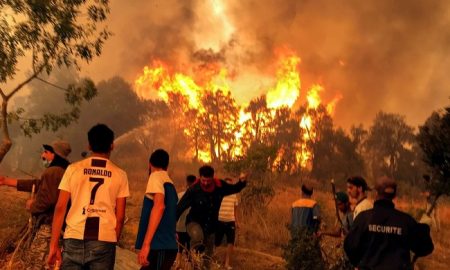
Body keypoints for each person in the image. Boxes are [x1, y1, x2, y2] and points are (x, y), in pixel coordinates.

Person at [47, 124, 130, 269]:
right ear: (112, 146)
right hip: (104, 241)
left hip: (73, 237)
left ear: (89, 145)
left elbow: (60, 207)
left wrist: (54, 245)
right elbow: (121, 216)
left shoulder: (73, 169)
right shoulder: (120, 175)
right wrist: (112, 240)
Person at [0, 140, 71, 270]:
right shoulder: (65, 171)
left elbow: (47, 200)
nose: (42, 155)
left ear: (55, 154)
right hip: (62, 228)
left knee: (37, 264)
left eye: (46, 152)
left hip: (48, 228)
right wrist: (7, 181)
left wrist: (32, 205)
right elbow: (39, 185)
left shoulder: (52, 172)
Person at [344, 176, 434, 270]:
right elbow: (424, 248)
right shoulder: (405, 221)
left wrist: (359, 263)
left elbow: (350, 246)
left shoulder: (363, 218)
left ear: (375, 193)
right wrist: (424, 226)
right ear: (394, 195)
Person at [176, 165, 247, 270]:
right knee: (197, 240)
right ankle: (193, 259)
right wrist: (172, 226)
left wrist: (242, 182)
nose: (205, 183)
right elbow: (179, 208)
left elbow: (234, 188)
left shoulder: (220, 187)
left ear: (212, 178)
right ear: (200, 177)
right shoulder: (193, 190)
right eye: (203, 180)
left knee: (208, 256)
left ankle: (203, 266)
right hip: (193, 223)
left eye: (208, 181)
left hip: (211, 227)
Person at [135, 149, 179, 270]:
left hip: (159, 246)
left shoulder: (155, 176)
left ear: (150, 164)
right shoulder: (170, 183)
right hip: (166, 247)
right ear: (167, 166)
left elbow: (159, 207)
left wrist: (146, 245)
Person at [215, 178, 240, 270]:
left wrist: (237, 221)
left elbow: (235, 209)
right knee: (217, 242)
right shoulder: (219, 194)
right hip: (219, 220)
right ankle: (215, 260)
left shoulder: (234, 195)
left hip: (230, 221)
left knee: (231, 242)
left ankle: (227, 263)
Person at [175, 174, 197, 269]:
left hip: (179, 226)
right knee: (189, 248)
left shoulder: (179, 195)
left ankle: (178, 265)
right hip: (190, 227)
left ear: (186, 183)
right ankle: (188, 266)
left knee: (179, 248)